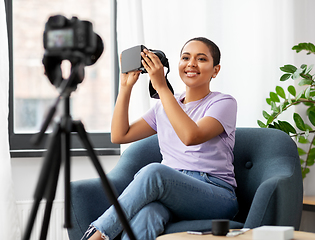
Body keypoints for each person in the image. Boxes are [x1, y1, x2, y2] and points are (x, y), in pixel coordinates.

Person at [84, 37, 238, 240]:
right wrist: (125, 87)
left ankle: (97, 236)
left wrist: (162, 87)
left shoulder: (223, 103)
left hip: (215, 194)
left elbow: (191, 136)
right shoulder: (164, 106)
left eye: (201, 59)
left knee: (154, 171)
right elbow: (120, 135)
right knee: (147, 215)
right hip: (170, 192)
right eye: (185, 57)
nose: (191, 64)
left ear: (215, 70)